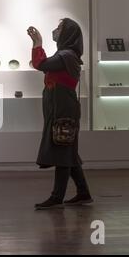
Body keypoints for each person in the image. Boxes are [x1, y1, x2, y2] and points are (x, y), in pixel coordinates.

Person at [27, 18, 93, 210]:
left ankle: (57, 197)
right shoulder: (65, 56)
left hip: (64, 110)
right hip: (60, 109)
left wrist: (38, 43)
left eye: (60, 28)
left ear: (68, 33)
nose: (56, 30)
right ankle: (83, 193)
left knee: (63, 150)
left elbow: (40, 64)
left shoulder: (67, 56)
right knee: (67, 150)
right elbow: (44, 65)